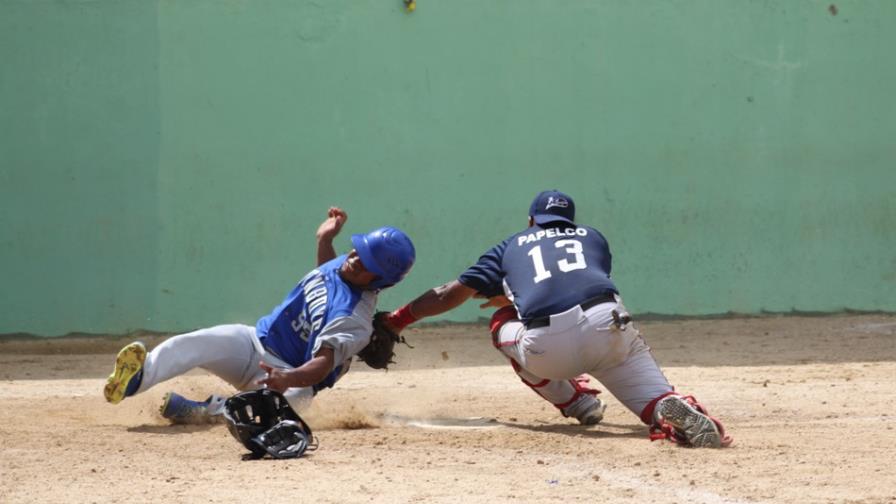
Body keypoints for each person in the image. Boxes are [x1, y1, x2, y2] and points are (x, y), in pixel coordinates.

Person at [382, 190, 731, 448]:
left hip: (548, 346)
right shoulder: (592, 237)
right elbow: (574, 282)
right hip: (607, 324)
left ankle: (577, 402)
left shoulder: (511, 245)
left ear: (531, 221)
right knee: (652, 398)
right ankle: (668, 407)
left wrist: (397, 320)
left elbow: (448, 294)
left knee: (503, 323)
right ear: (570, 220)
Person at [103, 207, 416, 424]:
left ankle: (204, 411)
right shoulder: (344, 266)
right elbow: (326, 275)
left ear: (378, 281)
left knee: (275, 408)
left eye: (367, 263)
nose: (355, 260)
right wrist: (325, 240)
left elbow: (320, 366)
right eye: (359, 250)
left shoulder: (353, 319)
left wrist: (287, 378)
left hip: (291, 379)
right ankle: (137, 379)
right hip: (255, 343)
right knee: (190, 344)